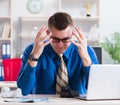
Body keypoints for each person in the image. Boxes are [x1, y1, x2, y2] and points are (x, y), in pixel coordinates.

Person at [17, 12, 99, 96]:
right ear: (48, 33)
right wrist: (34, 56)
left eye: (65, 39)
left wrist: (85, 57)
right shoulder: (33, 50)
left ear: (72, 35)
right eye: (55, 39)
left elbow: (98, 89)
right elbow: (24, 89)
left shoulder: (87, 50)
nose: (60, 45)